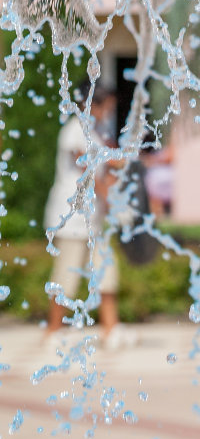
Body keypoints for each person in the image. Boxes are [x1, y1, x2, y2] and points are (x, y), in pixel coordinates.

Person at [44, 85, 122, 339]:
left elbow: (104, 168)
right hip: (71, 217)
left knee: (106, 272)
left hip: (93, 219)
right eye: (107, 106)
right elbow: (86, 169)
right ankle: (53, 330)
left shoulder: (97, 133)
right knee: (66, 275)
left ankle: (111, 329)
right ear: (92, 105)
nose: (109, 112)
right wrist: (108, 194)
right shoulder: (73, 131)